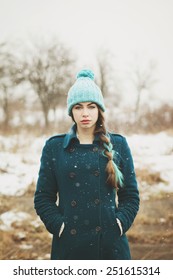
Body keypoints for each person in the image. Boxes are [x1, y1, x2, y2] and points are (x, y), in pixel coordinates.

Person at [34, 69, 140, 260]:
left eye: (91, 107)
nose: (85, 113)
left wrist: (119, 224)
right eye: (78, 107)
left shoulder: (118, 144)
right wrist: (59, 226)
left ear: (99, 109)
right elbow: (43, 198)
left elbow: (130, 196)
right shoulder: (54, 147)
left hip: (110, 247)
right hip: (69, 247)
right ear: (71, 112)